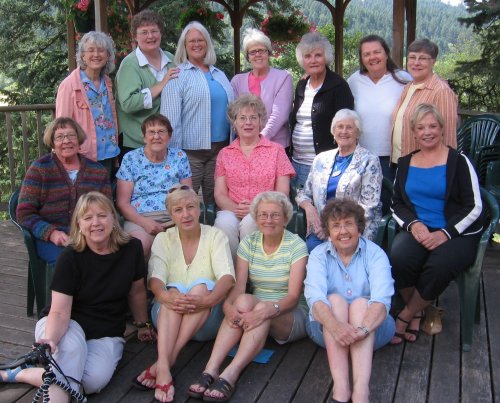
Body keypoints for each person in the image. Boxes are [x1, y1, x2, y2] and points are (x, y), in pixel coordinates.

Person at [1, 191, 154, 401]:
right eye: (88, 218)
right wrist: (51, 340)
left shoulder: (132, 248)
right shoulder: (70, 257)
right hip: (67, 325)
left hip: (106, 331)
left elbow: (136, 291)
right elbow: (60, 312)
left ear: (113, 217)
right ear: (79, 224)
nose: (96, 223)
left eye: (102, 215)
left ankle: (20, 372)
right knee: (70, 367)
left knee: (91, 382)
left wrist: (142, 324)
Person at [188, 191, 308, 402]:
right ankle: (211, 369)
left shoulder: (296, 246)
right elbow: (239, 287)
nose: (268, 220)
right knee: (242, 301)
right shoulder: (249, 242)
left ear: (286, 218)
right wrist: (229, 307)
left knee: (260, 310)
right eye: (262, 215)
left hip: (289, 314)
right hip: (255, 311)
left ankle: (231, 373)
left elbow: (293, 296)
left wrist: (266, 311)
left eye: (275, 215)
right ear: (256, 217)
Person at [390, 104, 483, 344]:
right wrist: (413, 225)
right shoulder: (405, 163)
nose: (427, 132)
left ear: (442, 129)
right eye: (420, 127)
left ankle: (406, 314)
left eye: (432, 126)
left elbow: (474, 206)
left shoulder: (459, 161)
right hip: (419, 229)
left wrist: (446, 233)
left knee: (438, 265)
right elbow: (397, 203)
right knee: (399, 258)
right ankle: (423, 309)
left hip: (456, 233)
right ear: (414, 132)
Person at [133, 184, 235, 403]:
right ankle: (164, 367)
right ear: (171, 215)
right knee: (174, 290)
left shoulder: (216, 236)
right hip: (167, 314)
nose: (186, 214)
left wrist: (208, 298)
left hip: (207, 317)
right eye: (178, 210)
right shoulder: (163, 239)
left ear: (199, 209)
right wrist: (165, 296)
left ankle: (162, 365)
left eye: (190, 207)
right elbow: (155, 280)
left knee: (200, 287)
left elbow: (227, 277)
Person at [304, 198, 395, 403]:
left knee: (362, 304)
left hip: (372, 331)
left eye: (348, 224)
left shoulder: (375, 254)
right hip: (327, 331)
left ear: (359, 227)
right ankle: (341, 388)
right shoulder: (318, 255)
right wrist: (336, 327)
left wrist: (362, 330)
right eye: (336, 226)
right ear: (328, 231)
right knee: (333, 300)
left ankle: (362, 391)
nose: (343, 231)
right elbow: (315, 299)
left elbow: (381, 301)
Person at [16, 117, 111, 265]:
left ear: (78, 139)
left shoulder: (97, 171)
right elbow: (24, 213)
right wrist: (51, 233)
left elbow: (108, 209)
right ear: (53, 143)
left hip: (93, 235)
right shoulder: (40, 169)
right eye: (59, 137)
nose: (66, 141)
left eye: (71, 135)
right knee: (67, 262)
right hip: (52, 239)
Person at [214, 94, 295, 260]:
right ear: (234, 123)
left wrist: (256, 208)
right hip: (232, 208)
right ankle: (232, 276)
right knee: (223, 224)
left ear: (261, 122)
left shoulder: (276, 150)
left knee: (250, 223)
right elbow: (220, 193)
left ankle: (252, 275)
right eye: (242, 118)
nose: (248, 122)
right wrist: (236, 208)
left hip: (266, 210)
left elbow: (282, 191)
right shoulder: (225, 154)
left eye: (253, 117)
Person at [161, 21, 234, 205]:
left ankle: (215, 234)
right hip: (190, 153)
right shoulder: (178, 75)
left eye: (200, 40)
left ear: (207, 43)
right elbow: (170, 119)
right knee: (187, 201)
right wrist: (174, 155)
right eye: (191, 41)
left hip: (221, 150)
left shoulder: (219, 74)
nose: (196, 44)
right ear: (184, 46)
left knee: (216, 202)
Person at [296, 109, 382, 252]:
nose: (344, 131)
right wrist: (309, 208)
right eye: (340, 127)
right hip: (321, 230)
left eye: (349, 127)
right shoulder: (321, 159)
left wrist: (335, 229)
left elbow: (369, 206)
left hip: (354, 230)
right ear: (333, 131)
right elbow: (304, 193)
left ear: (357, 133)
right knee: (314, 252)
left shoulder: (369, 161)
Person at [116, 114, 192, 259]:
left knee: (186, 248)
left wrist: (179, 219)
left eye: (161, 132)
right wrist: (145, 223)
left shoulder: (180, 156)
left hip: (176, 218)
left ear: (169, 136)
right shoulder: (131, 159)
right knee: (139, 246)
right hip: (140, 219)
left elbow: (189, 194)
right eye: (151, 132)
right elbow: (122, 203)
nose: (156, 136)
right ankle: (141, 282)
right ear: (144, 137)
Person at [290, 32, 354, 187]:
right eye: (308, 56)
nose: (313, 60)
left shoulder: (338, 86)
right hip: (296, 162)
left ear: (326, 58)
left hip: (324, 165)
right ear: (302, 60)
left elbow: (346, 127)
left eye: (318, 55)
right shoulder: (301, 85)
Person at [347, 34, 411, 180]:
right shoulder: (354, 80)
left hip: (394, 157)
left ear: (386, 54)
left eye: (377, 52)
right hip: (361, 156)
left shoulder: (403, 79)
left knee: (389, 200)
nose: (372, 57)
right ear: (362, 59)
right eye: (367, 54)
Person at [115, 9, 179, 155]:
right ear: (135, 37)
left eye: (154, 31)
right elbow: (128, 104)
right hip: (137, 143)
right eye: (144, 32)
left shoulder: (171, 60)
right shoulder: (130, 65)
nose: (150, 36)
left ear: (161, 33)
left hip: (167, 142)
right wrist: (161, 85)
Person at [55, 31, 120, 174]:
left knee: (104, 196)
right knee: (85, 196)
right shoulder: (69, 85)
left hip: (109, 153)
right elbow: (61, 124)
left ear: (108, 55)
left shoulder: (107, 82)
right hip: (84, 155)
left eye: (101, 50)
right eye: (90, 50)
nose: (96, 55)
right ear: (83, 56)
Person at [391, 38, 458, 166]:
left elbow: (448, 137)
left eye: (422, 58)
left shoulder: (441, 91)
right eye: (412, 57)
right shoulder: (408, 87)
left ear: (433, 62)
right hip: (401, 162)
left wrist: (446, 169)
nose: (416, 63)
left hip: (425, 166)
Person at [230, 28, 293, 149]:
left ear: (268, 53)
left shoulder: (283, 77)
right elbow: (234, 115)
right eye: (253, 52)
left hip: (275, 148)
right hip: (244, 148)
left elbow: (279, 116)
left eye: (262, 50)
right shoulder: (237, 81)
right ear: (248, 57)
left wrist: (259, 141)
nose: (257, 55)